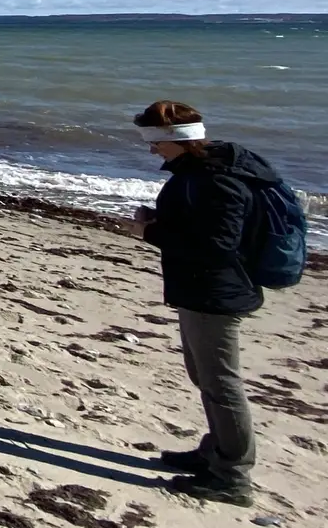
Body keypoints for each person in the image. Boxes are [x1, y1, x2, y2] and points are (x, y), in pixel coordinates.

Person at [129, 101, 272, 506]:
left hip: (216, 293)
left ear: (175, 139)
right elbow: (203, 227)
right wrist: (159, 220)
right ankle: (215, 452)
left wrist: (150, 233)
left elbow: (218, 245)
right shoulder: (198, 173)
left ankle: (232, 476)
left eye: (154, 141)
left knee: (222, 384)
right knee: (205, 378)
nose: (151, 149)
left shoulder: (217, 178)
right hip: (199, 289)